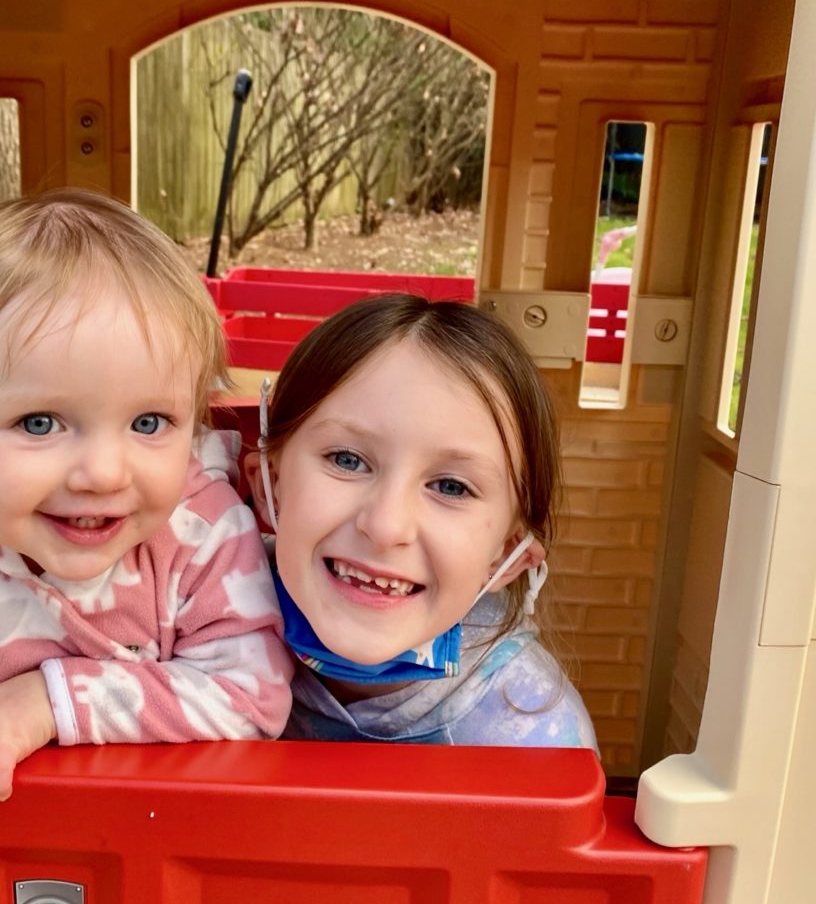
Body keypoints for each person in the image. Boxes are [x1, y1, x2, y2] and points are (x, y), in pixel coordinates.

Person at [0, 188, 293, 811]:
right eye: (39, 423)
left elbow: (253, 694)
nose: (104, 474)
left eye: (150, 423)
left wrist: (50, 703)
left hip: (138, 857)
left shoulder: (202, 529)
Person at [244, 294, 597, 748]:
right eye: (347, 460)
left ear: (508, 557)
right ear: (268, 485)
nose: (387, 527)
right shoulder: (180, 633)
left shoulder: (535, 740)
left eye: (451, 487)